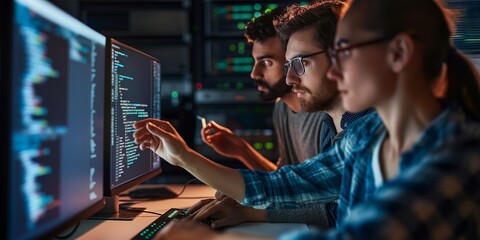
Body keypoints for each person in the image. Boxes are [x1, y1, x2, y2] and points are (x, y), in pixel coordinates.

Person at [135, 0, 480, 238]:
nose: (336, 67)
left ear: (399, 53)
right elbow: (285, 185)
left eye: (343, 51)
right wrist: (179, 155)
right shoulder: (366, 136)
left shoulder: (460, 156)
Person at [189, 1, 374, 229]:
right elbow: (302, 191)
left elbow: (295, 190)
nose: (290, 79)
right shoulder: (329, 123)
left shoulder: (366, 132)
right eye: (289, 65)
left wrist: (181, 155)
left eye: (299, 63)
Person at [200, 6, 326, 172]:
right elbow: (284, 182)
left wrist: (183, 156)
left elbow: (311, 192)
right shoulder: (281, 108)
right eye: (255, 61)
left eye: (267, 62)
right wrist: (242, 151)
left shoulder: (325, 114)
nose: (254, 74)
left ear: (292, 58)